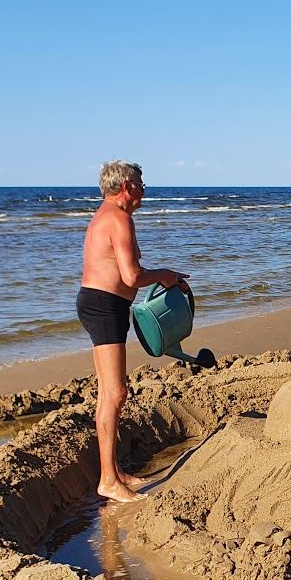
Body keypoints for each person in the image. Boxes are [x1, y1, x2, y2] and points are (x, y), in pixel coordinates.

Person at [77, 160, 190, 503]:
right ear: (126, 187)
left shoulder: (106, 216)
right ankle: (108, 481)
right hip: (104, 306)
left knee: (109, 393)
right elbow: (130, 276)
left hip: (100, 304)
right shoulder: (118, 218)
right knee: (115, 393)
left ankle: (114, 474)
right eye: (141, 184)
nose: (144, 190)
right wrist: (165, 275)